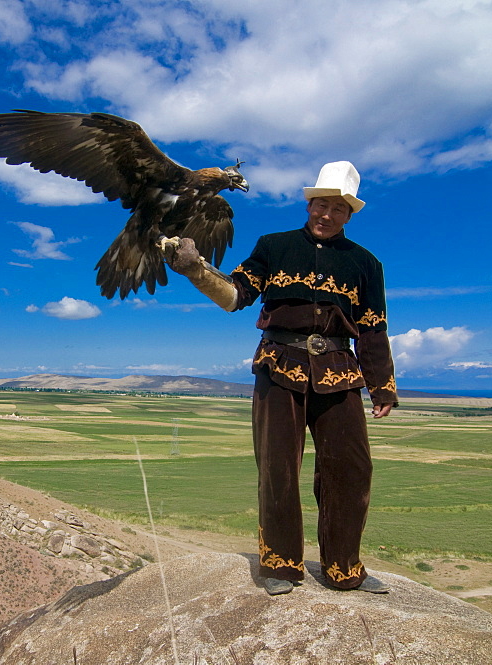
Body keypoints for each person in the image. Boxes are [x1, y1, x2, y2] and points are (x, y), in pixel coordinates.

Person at [163, 161, 398, 596]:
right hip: (279, 365)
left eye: (338, 209)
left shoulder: (367, 264)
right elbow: (237, 295)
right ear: (309, 204)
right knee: (278, 469)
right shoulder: (273, 245)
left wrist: (381, 385)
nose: (326, 215)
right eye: (320, 205)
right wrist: (196, 271)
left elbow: (372, 327)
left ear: (350, 215)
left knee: (351, 469)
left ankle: (345, 569)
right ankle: (281, 565)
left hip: (340, 371)